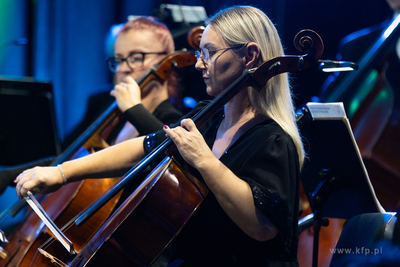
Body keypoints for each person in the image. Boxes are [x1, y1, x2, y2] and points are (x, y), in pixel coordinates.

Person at [15, 5, 304, 266]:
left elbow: (263, 227)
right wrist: (61, 173)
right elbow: (144, 146)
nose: (200, 64)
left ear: (250, 56)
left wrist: (205, 160)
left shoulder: (272, 140)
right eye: (200, 53)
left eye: (210, 53)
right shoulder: (208, 116)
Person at [0, 17, 183, 195]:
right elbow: (72, 156)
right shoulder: (112, 112)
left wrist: (133, 109)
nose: (122, 69)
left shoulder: (173, 120)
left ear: (166, 60)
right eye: (118, 60)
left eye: (136, 58)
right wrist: (10, 175)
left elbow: (168, 146)